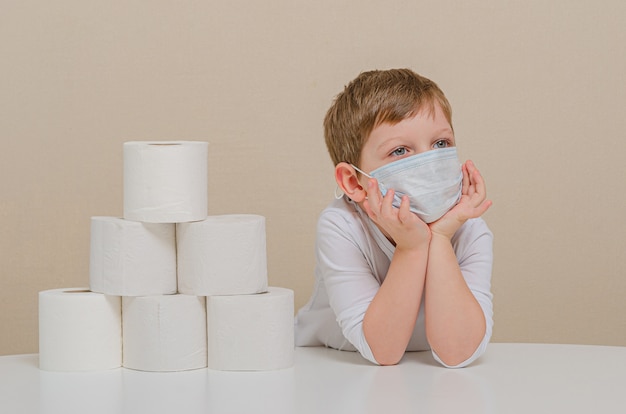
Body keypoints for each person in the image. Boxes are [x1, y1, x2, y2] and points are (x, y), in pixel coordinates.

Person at [294, 68, 493, 368]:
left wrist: (438, 238)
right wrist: (412, 248)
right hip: (326, 366)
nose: (427, 162)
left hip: (421, 378)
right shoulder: (342, 226)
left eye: (440, 144)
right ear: (352, 181)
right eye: (400, 150)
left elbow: (458, 352)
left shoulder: (469, 228)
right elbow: (382, 351)